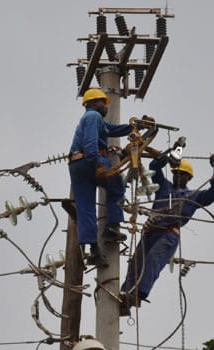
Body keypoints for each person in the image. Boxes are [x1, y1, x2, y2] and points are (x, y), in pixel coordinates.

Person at [120, 153, 214, 314]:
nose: (177, 176)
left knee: (153, 260)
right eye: (175, 173)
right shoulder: (164, 187)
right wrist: (169, 158)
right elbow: (154, 167)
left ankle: (138, 294)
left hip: (168, 234)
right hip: (150, 233)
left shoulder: (193, 196)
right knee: (135, 263)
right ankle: (125, 295)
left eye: (181, 174)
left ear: (188, 178)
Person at [68, 88, 132, 267]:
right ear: (92, 103)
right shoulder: (93, 117)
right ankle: (111, 227)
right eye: (103, 102)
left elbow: (113, 130)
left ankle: (93, 249)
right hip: (91, 159)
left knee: (86, 207)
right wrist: (97, 163)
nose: (106, 106)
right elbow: (90, 142)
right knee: (117, 186)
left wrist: (134, 127)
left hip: (76, 164)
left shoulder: (95, 121)